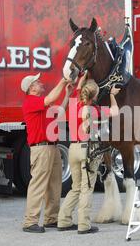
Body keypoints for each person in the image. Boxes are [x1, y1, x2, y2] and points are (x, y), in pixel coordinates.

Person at [58, 74, 120, 235]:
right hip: (88, 151)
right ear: (94, 95)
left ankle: (63, 219)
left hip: (73, 148)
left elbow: (79, 89)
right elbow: (115, 111)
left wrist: (82, 78)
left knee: (75, 187)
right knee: (87, 188)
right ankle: (84, 224)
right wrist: (112, 95)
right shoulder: (95, 110)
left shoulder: (75, 105)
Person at [21, 73, 73, 234]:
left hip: (52, 147)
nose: (41, 83)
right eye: (38, 82)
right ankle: (30, 222)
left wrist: (67, 94)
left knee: (54, 185)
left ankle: (51, 218)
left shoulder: (42, 105)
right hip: (42, 148)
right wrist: (63, 81)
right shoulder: (31, 102)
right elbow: (50, 99)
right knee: (38, 185)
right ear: (31, 88)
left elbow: (60, 112)